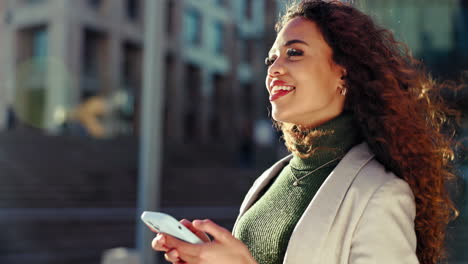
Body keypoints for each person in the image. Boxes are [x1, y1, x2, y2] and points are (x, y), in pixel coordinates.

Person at [152, 1, 460, 263]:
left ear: (344, 73)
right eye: (271, 59)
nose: (274, 69)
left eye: (294, 53)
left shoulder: (381, 193)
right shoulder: (274, 177)